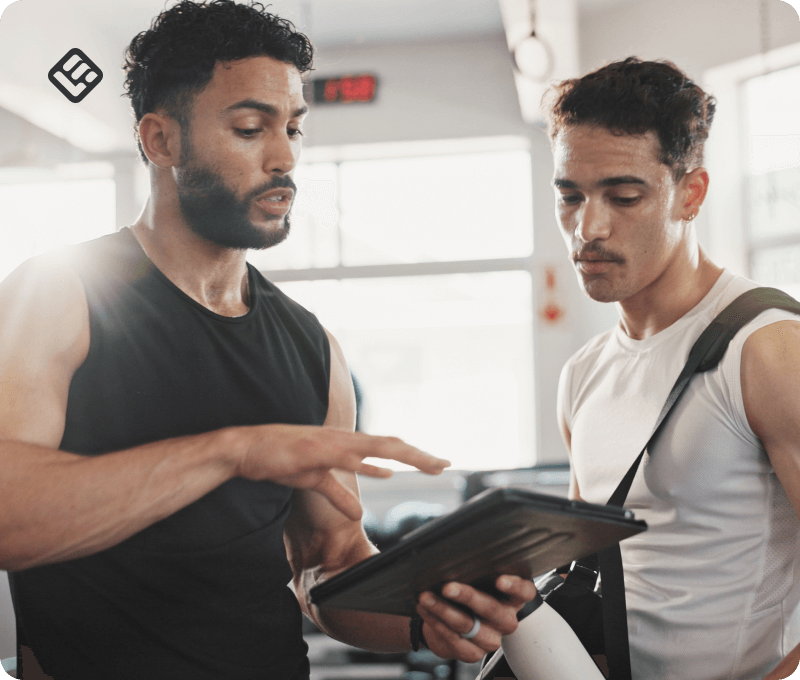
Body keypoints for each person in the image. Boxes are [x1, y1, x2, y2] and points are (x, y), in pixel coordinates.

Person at [0, 2, 536, 678]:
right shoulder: (58, 292)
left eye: (292, 128)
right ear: (160, 141)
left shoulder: (311, 345)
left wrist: (422, 614)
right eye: (250, 128)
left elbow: (329, 560)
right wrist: (237, 451)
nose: (284, 157)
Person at [544, 57, 800, 679]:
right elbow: (594, 584)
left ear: (691, 193)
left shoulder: (767, 349)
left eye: (624, 196)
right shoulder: (583, 375)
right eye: (570, 196)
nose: (589, 228)